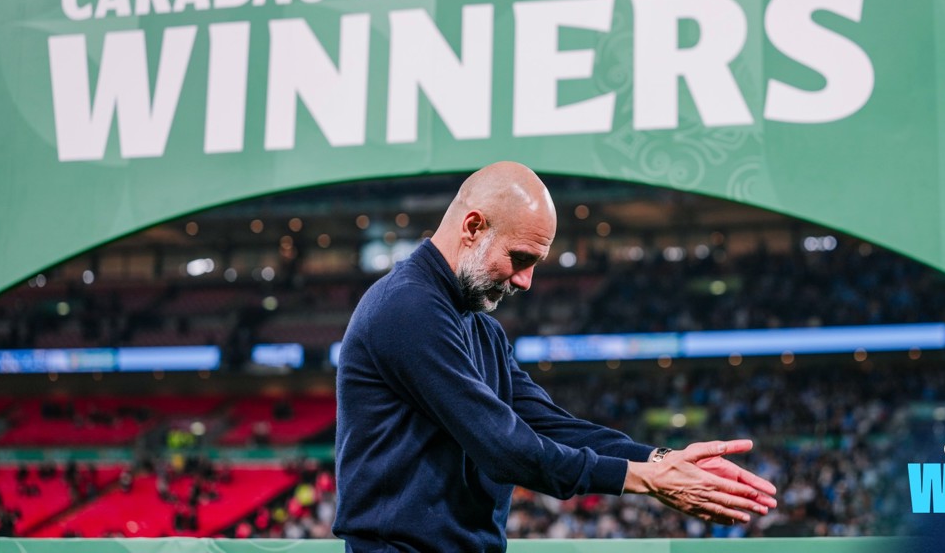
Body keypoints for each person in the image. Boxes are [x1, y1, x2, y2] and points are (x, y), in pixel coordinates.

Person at [333, 162, 777, 552]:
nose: (526, 281)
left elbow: (551, 425)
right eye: (520, 257)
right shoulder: (406, 309)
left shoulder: (478, 325)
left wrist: (663, 459)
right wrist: (642, 480)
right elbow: (507, 449)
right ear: (472, 227)